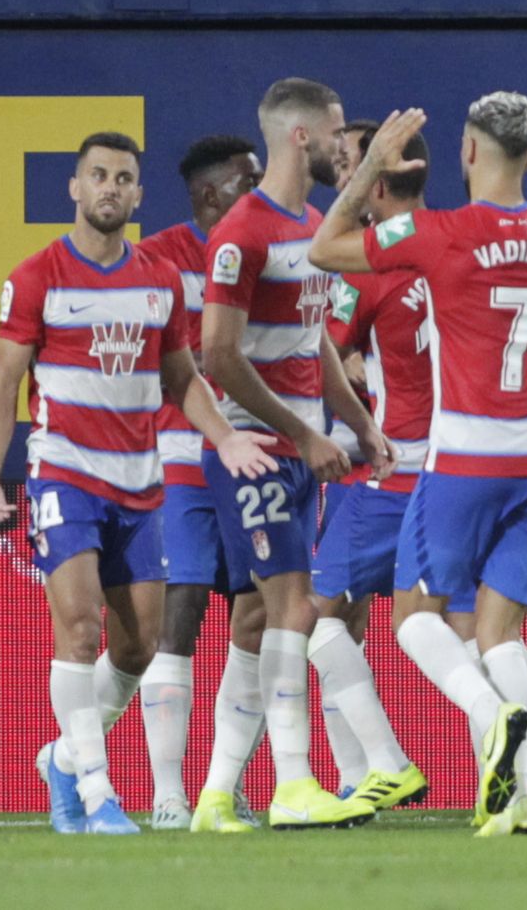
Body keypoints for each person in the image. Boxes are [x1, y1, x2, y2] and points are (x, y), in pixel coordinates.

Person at [309, 94, 527, 837]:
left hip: (464, 453)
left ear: (465, 153)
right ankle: (520, 799)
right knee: (498, 632)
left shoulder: (440, 234)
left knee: (413, 621)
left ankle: (493, 718)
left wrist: (368, 167)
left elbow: (326, 248)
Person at [0, 132, 277, 836]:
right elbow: (5, 384)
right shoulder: (36, 277)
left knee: (140, 647)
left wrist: (226, 437)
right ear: (75, 188)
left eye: (123, 178)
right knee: (78, 631)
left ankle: (63, 759)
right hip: (64, 476)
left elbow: (182, 379)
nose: (110, 187)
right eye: (98, 175)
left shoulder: (158, 280)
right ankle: (99, 793)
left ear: (138, 195)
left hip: (140, 484)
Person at [190, 78, 393, 833]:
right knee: (293, 610)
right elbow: (218, 353)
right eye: (338, 134)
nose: (347, 147)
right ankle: (295, 782)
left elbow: (315, 345)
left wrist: (359, 424)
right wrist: (303, 436)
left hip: (304, 450)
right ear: (302, 136)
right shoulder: (241, 232)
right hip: (254, 451)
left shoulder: (312, 226)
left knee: (254, 622)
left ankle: (215, 795)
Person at [133, 135, 263, 831]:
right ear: (212, 195)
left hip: (261, 454)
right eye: (248, 181)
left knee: (260, 615)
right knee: (177, 614)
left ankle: (221, 785)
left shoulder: (272, 246)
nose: (261, 190)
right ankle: (167, 794)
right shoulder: (157, 259)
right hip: (183, 457)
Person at [308, 128, 438, 813]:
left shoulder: (361, 263)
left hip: (390, 464)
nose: (344, 177)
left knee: (317, 618)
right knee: (472, 630)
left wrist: (343, 359)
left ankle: (383, 764)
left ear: (378, 181)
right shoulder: (458, 241)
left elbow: (318, 355)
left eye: (354, 167)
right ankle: (358, 778)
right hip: (468, 464)